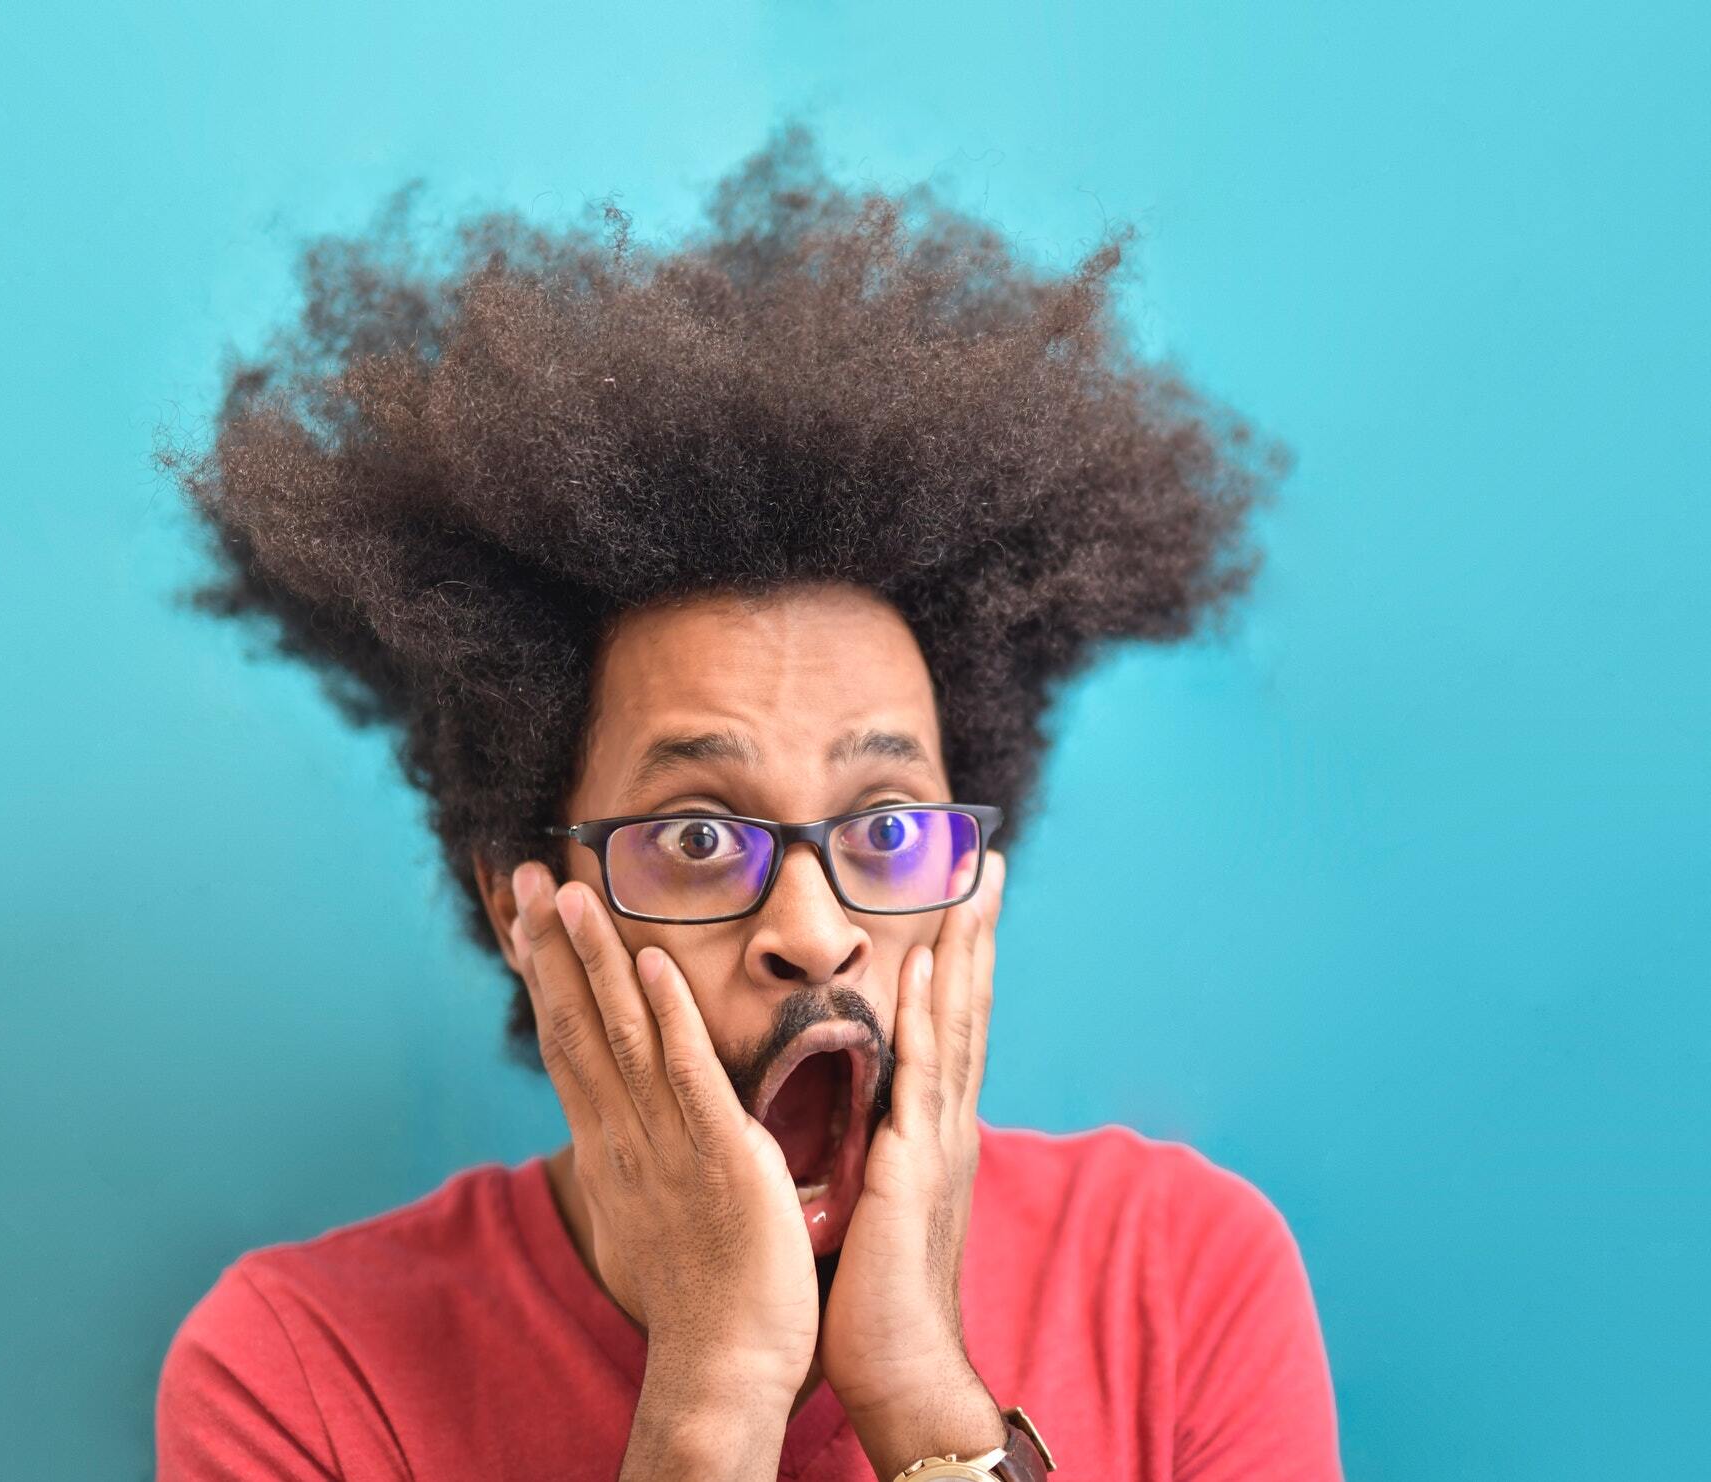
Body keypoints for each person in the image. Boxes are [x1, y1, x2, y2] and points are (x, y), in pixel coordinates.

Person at [152, 123, 1341, 1481]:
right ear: (524, 899)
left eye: (887, 826)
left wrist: (921, 1397)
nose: (817, 931)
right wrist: (715, 1394)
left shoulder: (1181, 1279)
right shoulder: (300, 1372)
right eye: (701, 835)